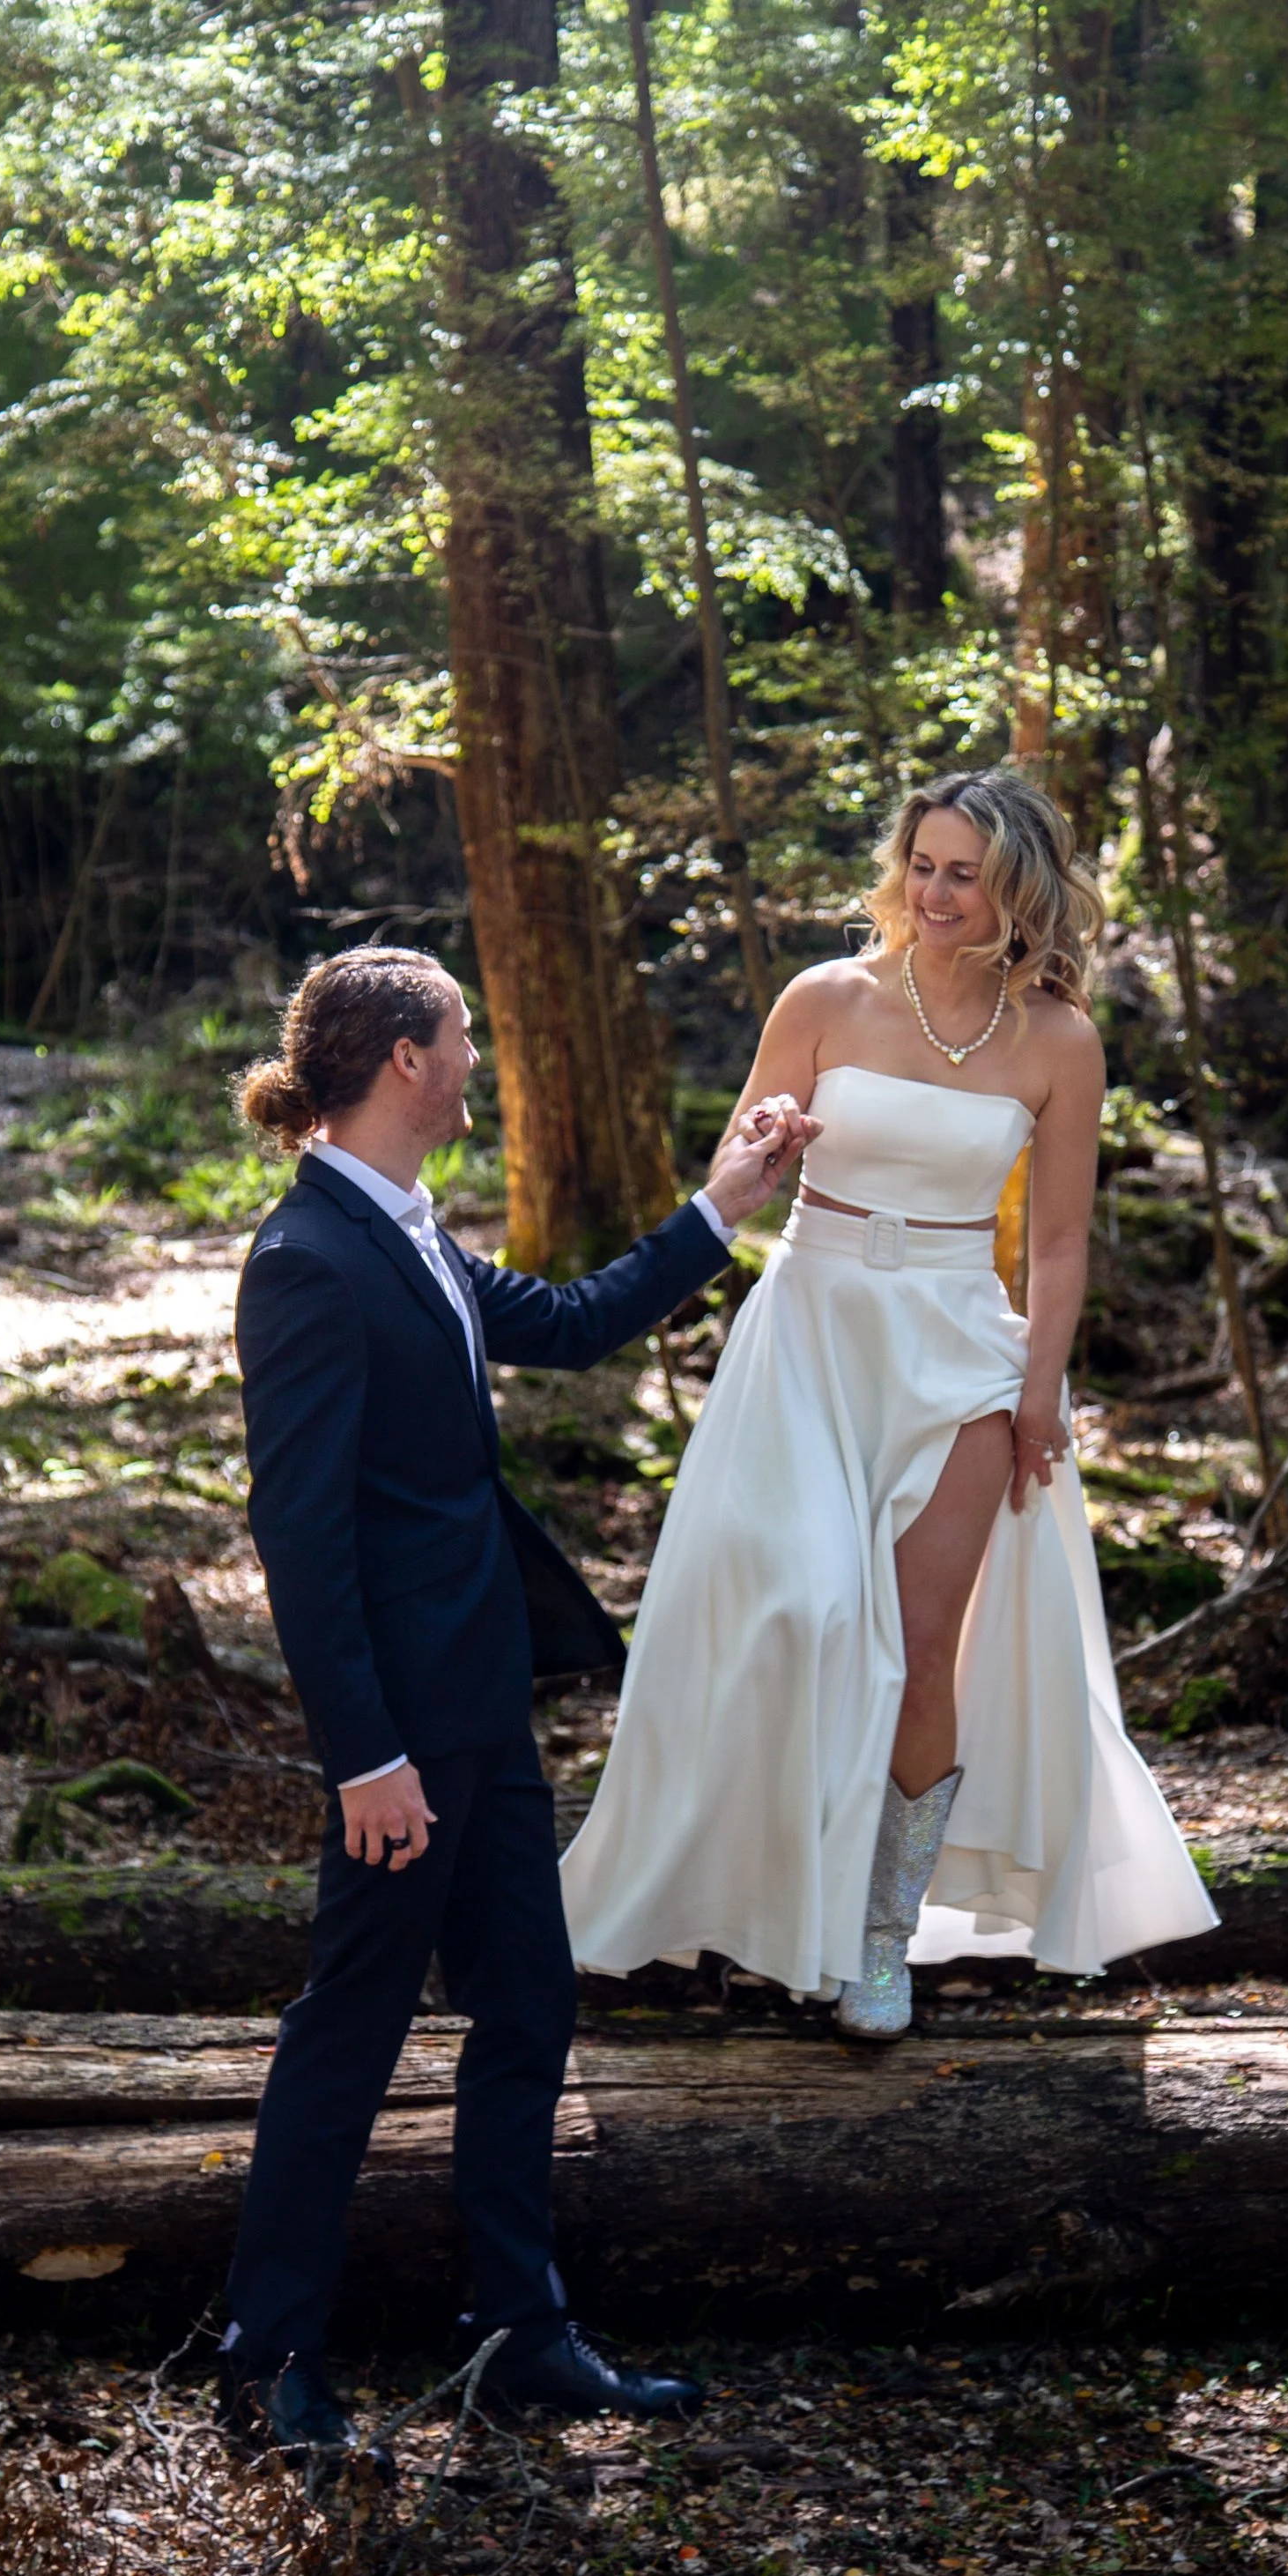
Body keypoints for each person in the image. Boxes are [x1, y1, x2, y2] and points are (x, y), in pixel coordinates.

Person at [219, 944, 815, 2455]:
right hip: (403, 1744)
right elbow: (300, 1535)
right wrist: (365, 1756)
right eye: (463, 1035)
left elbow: (569, 1321)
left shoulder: (415, 1233)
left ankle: (518, 2325)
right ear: (405, 1060)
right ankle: (268, 2353)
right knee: (347, 2033)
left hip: (487, 1705)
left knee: (529, 2004)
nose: (479, 1055)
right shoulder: (306, 1260)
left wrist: (719, 1206)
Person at [561, 767, 1218, 2037]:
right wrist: (758, 1155)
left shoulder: (1059, 1040)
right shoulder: (829, 998)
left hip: (960, 1346)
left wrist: (1041, 1393)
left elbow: (1064, 1246)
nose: (934, 892)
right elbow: (735, 1160)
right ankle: (750, 1895)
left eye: (963, 873)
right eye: (922, 865)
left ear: (1019, 885)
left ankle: (878, 1933)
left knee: (923, 1647)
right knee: (800, 1607)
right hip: (811, 1323)